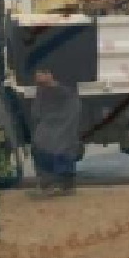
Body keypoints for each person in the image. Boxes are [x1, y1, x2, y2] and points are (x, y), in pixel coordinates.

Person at [30, 69, 82, 197]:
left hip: (63, 103)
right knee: (53, 142)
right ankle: (61, 184)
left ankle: (53, 184)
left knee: (51, 142)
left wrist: (51, 83)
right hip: (53, 102)